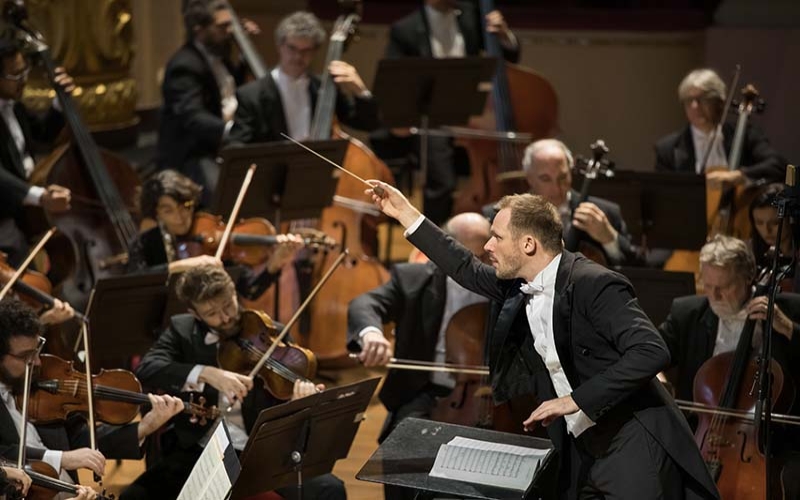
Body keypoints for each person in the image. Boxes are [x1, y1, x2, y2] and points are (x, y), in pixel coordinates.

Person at [365, 179, 719, 499]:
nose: (488, 246)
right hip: (579, 445)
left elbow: (651, 350)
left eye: (497, 238)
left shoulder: (593, 283)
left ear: (529, 243)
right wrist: (406, 213)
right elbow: (464, 268)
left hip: (631, 439)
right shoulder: (519, 285)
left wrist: (574, 400)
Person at [123, 265, 345, 500]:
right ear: (195, 313)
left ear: (234, 293)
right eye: (212, 313)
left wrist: (298, 402)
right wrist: (207, 373)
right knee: (134, 496)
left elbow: (284, 408)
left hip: (257, 451)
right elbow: (148, 368)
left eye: (229, 304)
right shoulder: (182, 330)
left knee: (329, 489)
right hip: (198, 451)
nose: (226, 317)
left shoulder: (270, 334)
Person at [348, 212, 490, 499]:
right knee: (403, 454)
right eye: (470, 258)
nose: (480, 267)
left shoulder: (502, 284)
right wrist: (371, 334)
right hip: (423, 392)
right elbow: (366, 303)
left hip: (486, 399)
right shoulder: (413, 279)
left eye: (485, 255)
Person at [658, 235, 800, 498]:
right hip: (703, 435)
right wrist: (662, 380)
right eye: (708, 285)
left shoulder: (789, 309)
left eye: (724, 286)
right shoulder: (687, 312)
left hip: (772, 439)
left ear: (749, 278)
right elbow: (650, 354)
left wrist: (789, 329)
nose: (715, 295)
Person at [0, 299, 184, 487]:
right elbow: (4, 453)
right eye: (26, 356)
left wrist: (144, 427)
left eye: (37, 350)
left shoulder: (39, 379)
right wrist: (62, 458)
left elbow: (80, 439)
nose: (37, 362)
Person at [381, 0, 520, 225]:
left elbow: (509, 58)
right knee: (441, 181)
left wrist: (504, 36)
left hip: (473, 113)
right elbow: (396, 81)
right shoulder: (405, 29)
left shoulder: (471, 16)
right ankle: (436, 239)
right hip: (432, 118)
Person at [127, 169, 303, 300]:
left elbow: (250, 291)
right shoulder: (146, 242)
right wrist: (183, 266)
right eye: (169, 211)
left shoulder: (211, 238)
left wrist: (274, 265)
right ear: (156, 213)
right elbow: (134, 281)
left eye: (185, 207)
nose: (180, 217)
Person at [157, 0, 257, 205]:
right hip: (194, 151)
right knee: (221, 194)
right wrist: (231, 130)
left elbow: (228, 92)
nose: (230, 31)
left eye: (231, 24)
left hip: (223, 143)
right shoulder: (183, 66)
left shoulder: (220, 53)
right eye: (222, 26)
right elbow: (193, 117)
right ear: (199, 29)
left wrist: (246, 54)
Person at [229, 10, 380, 145]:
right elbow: (236, 146)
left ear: (315, 52)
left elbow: (368, 124)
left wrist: (360, 90)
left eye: (306, 50)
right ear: (279, 46)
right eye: (292, 48)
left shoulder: (324, 88)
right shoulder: (251, 95)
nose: (298, 56)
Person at [0, 38, 72, 267]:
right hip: (4, 208)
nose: (23, 80)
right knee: (15, 249)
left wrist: (60, 103)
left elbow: (41, 134)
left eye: (24, 72)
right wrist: (38, 196)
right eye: (14, 75)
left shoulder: (14, 104)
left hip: (28, 201)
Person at [654, 68, 785, 185]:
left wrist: (740, 175)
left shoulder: (745, 134)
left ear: (720, 102)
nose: (695, 106)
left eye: (702, 98)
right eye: (689, 100)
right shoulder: (668, 149)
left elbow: (778, 165)